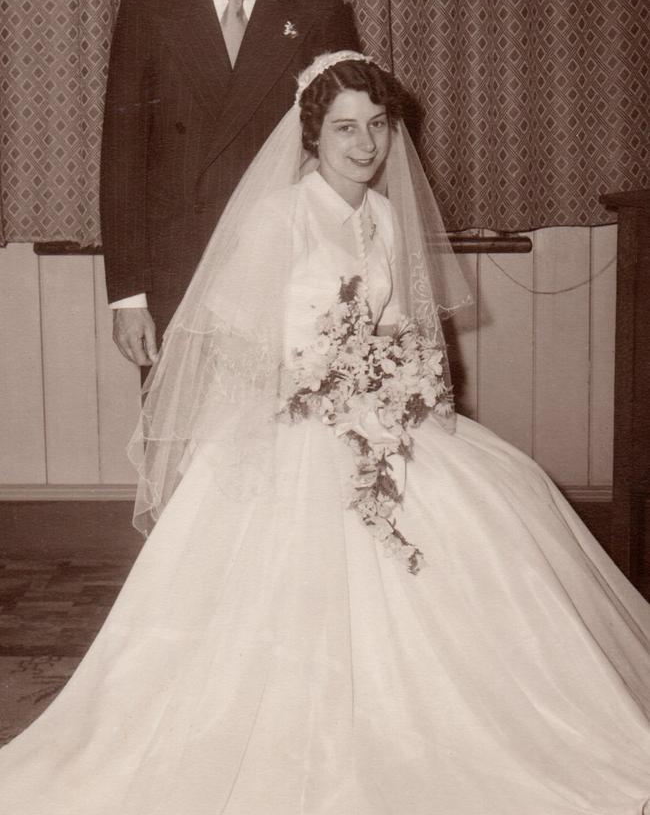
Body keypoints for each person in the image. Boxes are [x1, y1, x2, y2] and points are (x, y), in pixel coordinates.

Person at [1, 51, 650, 814]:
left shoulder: (380, 215)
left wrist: (402, 385)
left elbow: (403, 327)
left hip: (376, 417)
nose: (366, 144)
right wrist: (323, 384)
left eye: (377, 126)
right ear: (313, 136)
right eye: (345, 129)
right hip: (295, 427)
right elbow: (237, 344)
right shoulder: (282, 216)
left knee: (499, 505)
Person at [100, 0, 358, 368]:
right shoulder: (148, 5)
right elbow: (122, 158)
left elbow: (348, 156)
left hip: (288, 271)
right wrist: (128, 296)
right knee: (187, 450)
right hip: (178, 275)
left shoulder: (318, 8)